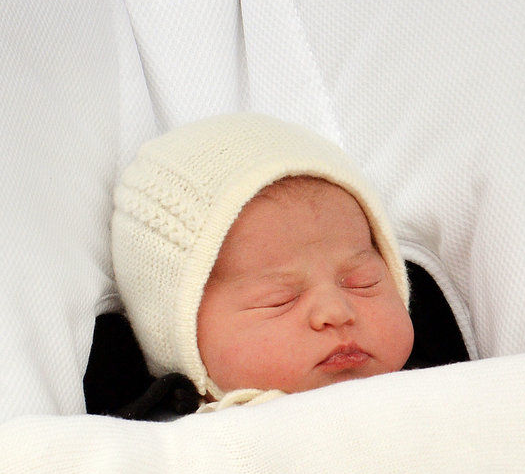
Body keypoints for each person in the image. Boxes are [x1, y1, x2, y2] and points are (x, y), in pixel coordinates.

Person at [111, 113, 414, 414]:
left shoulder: (448, 391)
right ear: (183, 339)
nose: (336, 312)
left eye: (364, 282)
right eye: (279, 299)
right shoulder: (165, 448)